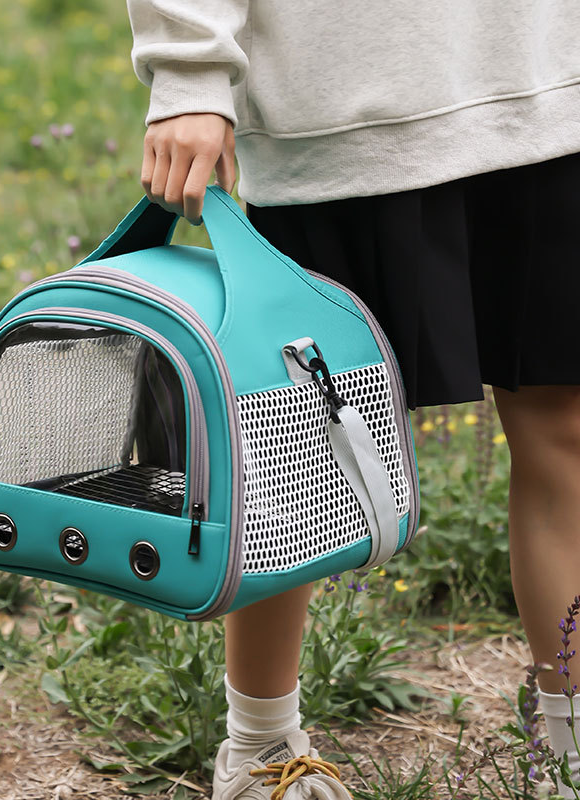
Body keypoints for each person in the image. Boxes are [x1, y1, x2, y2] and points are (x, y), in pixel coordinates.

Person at [125, 2, 580, 798]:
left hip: (548, 90)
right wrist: (190, 70)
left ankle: (572, 750)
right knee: (291, 449)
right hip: (333, 114)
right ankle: (260, 746)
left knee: (566, 426)